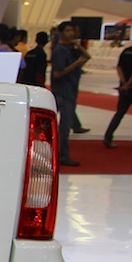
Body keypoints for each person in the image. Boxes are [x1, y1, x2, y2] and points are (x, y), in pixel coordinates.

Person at [51, 20, 91, 167]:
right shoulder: (60, 50)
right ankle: (62, 154)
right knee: (64, 126)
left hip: (70, 89)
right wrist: (76, 63)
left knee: (65, 124)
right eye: (67, 31)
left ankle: (62, 153)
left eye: (72, 30)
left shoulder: (71, 48)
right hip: (63, 91)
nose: (71, 33)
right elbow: (58, 73)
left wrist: (77, 44)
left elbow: (87, 57)